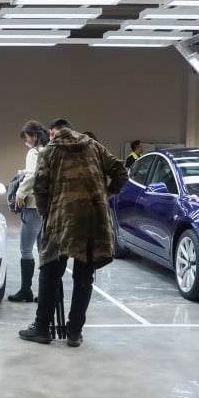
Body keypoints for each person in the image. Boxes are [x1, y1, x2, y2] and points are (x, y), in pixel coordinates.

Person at [18, 118, 128, 348]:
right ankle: (74, 332)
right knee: (84, 277)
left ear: (51, 132)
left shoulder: (49, 151)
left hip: (61, 219)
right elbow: (121, 171)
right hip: (93, 221)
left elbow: (40, 188)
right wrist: (107, 193)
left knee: (50, 273)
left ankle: (42, 328)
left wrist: (47, 214)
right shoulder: (94, 146)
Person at [8, 120, 48, 303]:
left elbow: (32, 175)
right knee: (43, 251)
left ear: (34, 136)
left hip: (33, 206)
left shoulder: (34, 152)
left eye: (27, 138)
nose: (26, 142)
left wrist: (20, 192)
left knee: (25, 250)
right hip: (47, 206)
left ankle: (26, 291)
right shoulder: (49, 150)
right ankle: (45, 293)